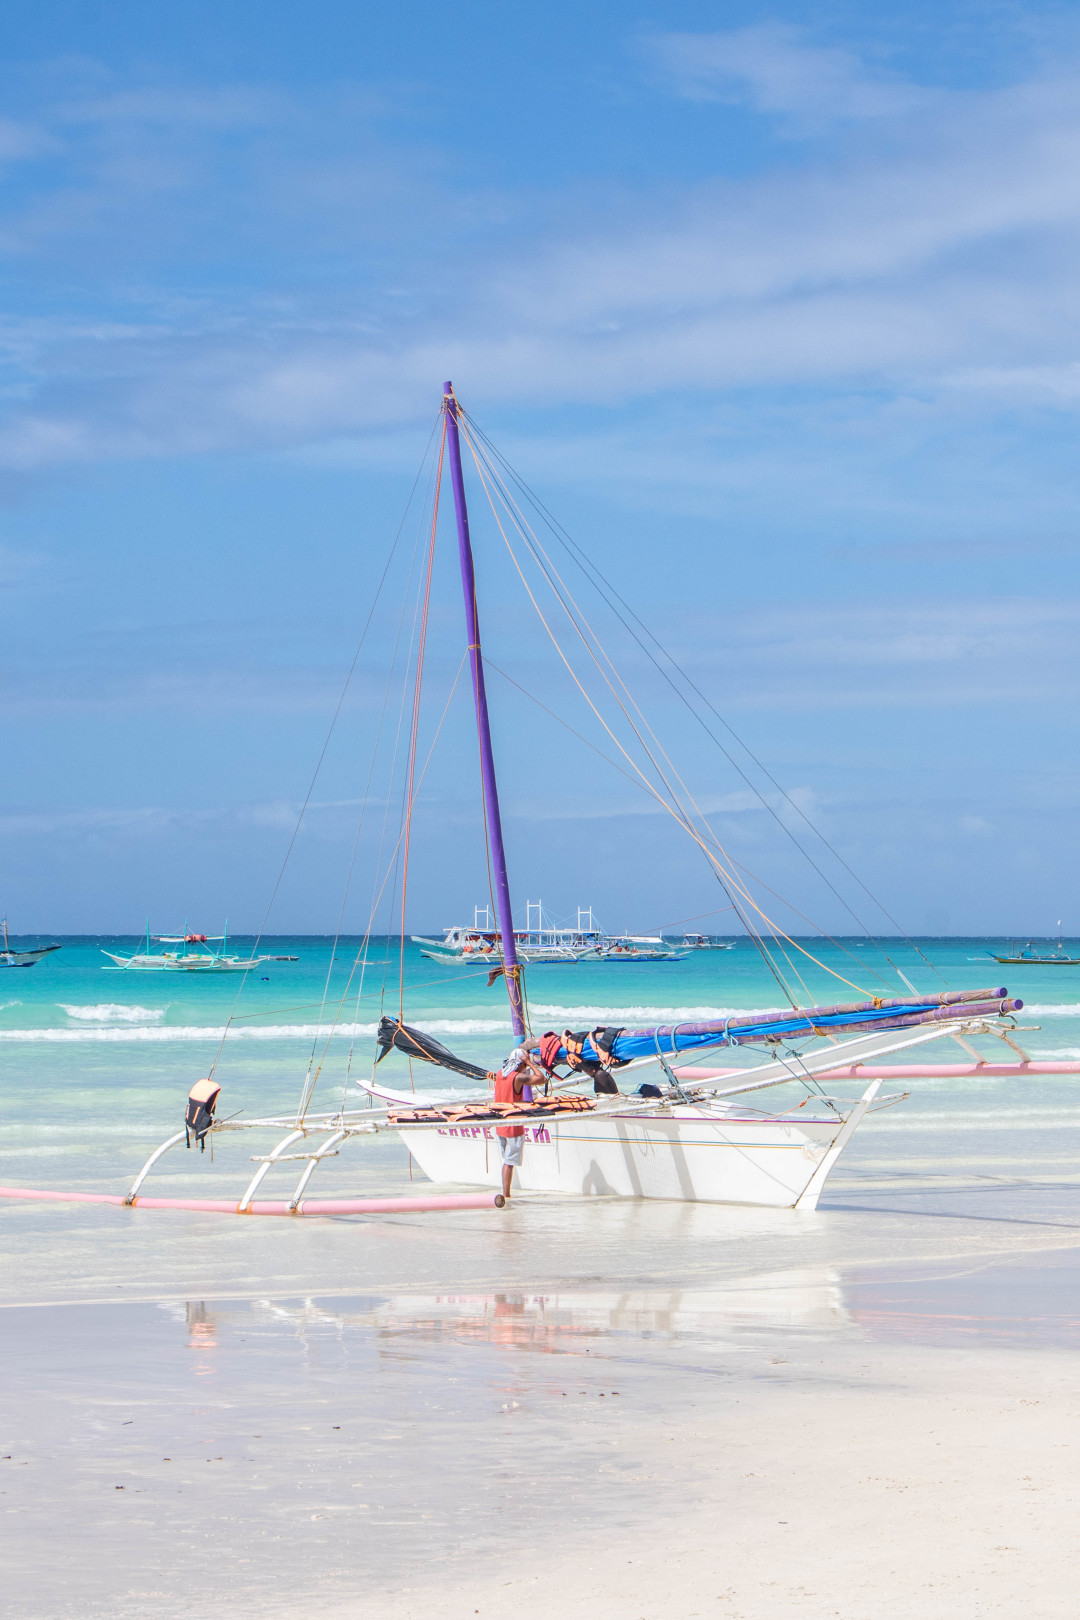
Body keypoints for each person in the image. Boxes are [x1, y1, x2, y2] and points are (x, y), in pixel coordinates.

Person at [493, 1039, 546, 1198]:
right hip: (513, 1124)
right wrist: (530, 1062)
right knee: (509, 1162)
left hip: (500, 1123)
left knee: (507, 1160)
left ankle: (506, 1192)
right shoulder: (518, 1078)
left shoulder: (499, 1074)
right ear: (519, 1064)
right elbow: (541, 1078)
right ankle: (506, 1194)